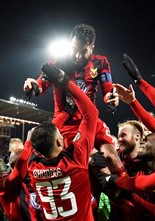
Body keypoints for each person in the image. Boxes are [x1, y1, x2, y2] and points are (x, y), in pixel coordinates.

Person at [27, 63, 105, 221]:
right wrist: (66, 82)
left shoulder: (32, 167)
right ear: (61, 143)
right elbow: (91, 112)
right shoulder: (78, 159)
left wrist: (59, 115)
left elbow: (38, 141)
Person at [23, 24, 125, 175]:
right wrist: (32, 86)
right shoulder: (57, 61)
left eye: (83, 51)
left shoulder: (100, 62)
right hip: (64, 124)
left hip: (89, 121)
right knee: (68, 170)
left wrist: (111, 97)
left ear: (92, 48)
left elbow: (108, 89)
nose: (78, 55)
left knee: (111, 157)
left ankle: (129, 195)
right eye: (74, 49)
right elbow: (40, 85)